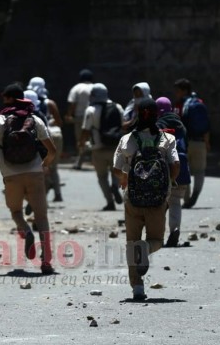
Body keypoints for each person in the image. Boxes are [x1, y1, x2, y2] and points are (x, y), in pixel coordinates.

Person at [0, 84, 56, 275]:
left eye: (4, 97)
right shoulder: (34, 119)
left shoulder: (0, 119)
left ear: (10, 99)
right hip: (35, 173)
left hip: (10, 175)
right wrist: (44, 164)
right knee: (42, 217)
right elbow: (52, 150)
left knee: (16, 211)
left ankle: (26, 231)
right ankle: (47, 262)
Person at [113, 99, 180, 300]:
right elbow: (175, 165)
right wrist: (166, 184)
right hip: (157, 200)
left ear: (136, 115)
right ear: (156, 115)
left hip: (132, 199)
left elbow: (116, 169)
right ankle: (147, 248)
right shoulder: (166, 139)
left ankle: (137, 288)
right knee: (157, 240)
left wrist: (126, 178)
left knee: (131, 243)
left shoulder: (126, 140)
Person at [79, 83, 124, 211]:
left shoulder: (91, 110)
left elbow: (85, 130)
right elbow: (123, 126)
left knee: (102, 177)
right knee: (115, 172)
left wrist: (81, 143)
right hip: (116, 147)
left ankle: (110, 202)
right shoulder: (118, 107)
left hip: (98, 148)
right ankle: (115, 185)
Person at [156, 97, 189, 248]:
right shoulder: (180, 124)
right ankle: (175, 230)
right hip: (181, 167)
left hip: (164, 169)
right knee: (175, 202)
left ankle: (156, 235)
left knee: (159, 204)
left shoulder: (157, 125)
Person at [173, 78, 210, 209]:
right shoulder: (199, 103)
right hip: (200, 141)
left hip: (184, 143)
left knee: (184, 169)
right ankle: (195, 195)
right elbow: (206, 126)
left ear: (184, 91)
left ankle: (187, 199)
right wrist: (207, 143)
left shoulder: (178, 106)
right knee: (200, 171)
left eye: (177, 91)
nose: (175, 93)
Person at [27, 77, 64, 201]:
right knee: (52, 166)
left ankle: (39, 195)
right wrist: (49, 122)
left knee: (37, 166)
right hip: (54, 135)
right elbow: (59, 122)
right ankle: (57, 193)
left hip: (35, 137)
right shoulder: (49, 103)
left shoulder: (26, 101)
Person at [66, 69, 93, 169]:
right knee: (93, 138)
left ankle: (79, 162)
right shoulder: (95, 87)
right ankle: (94, 160)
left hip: (80, 117)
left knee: (80, 139)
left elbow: (72, 103)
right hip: (94, 116)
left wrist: (69, 115)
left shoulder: (76, 88)